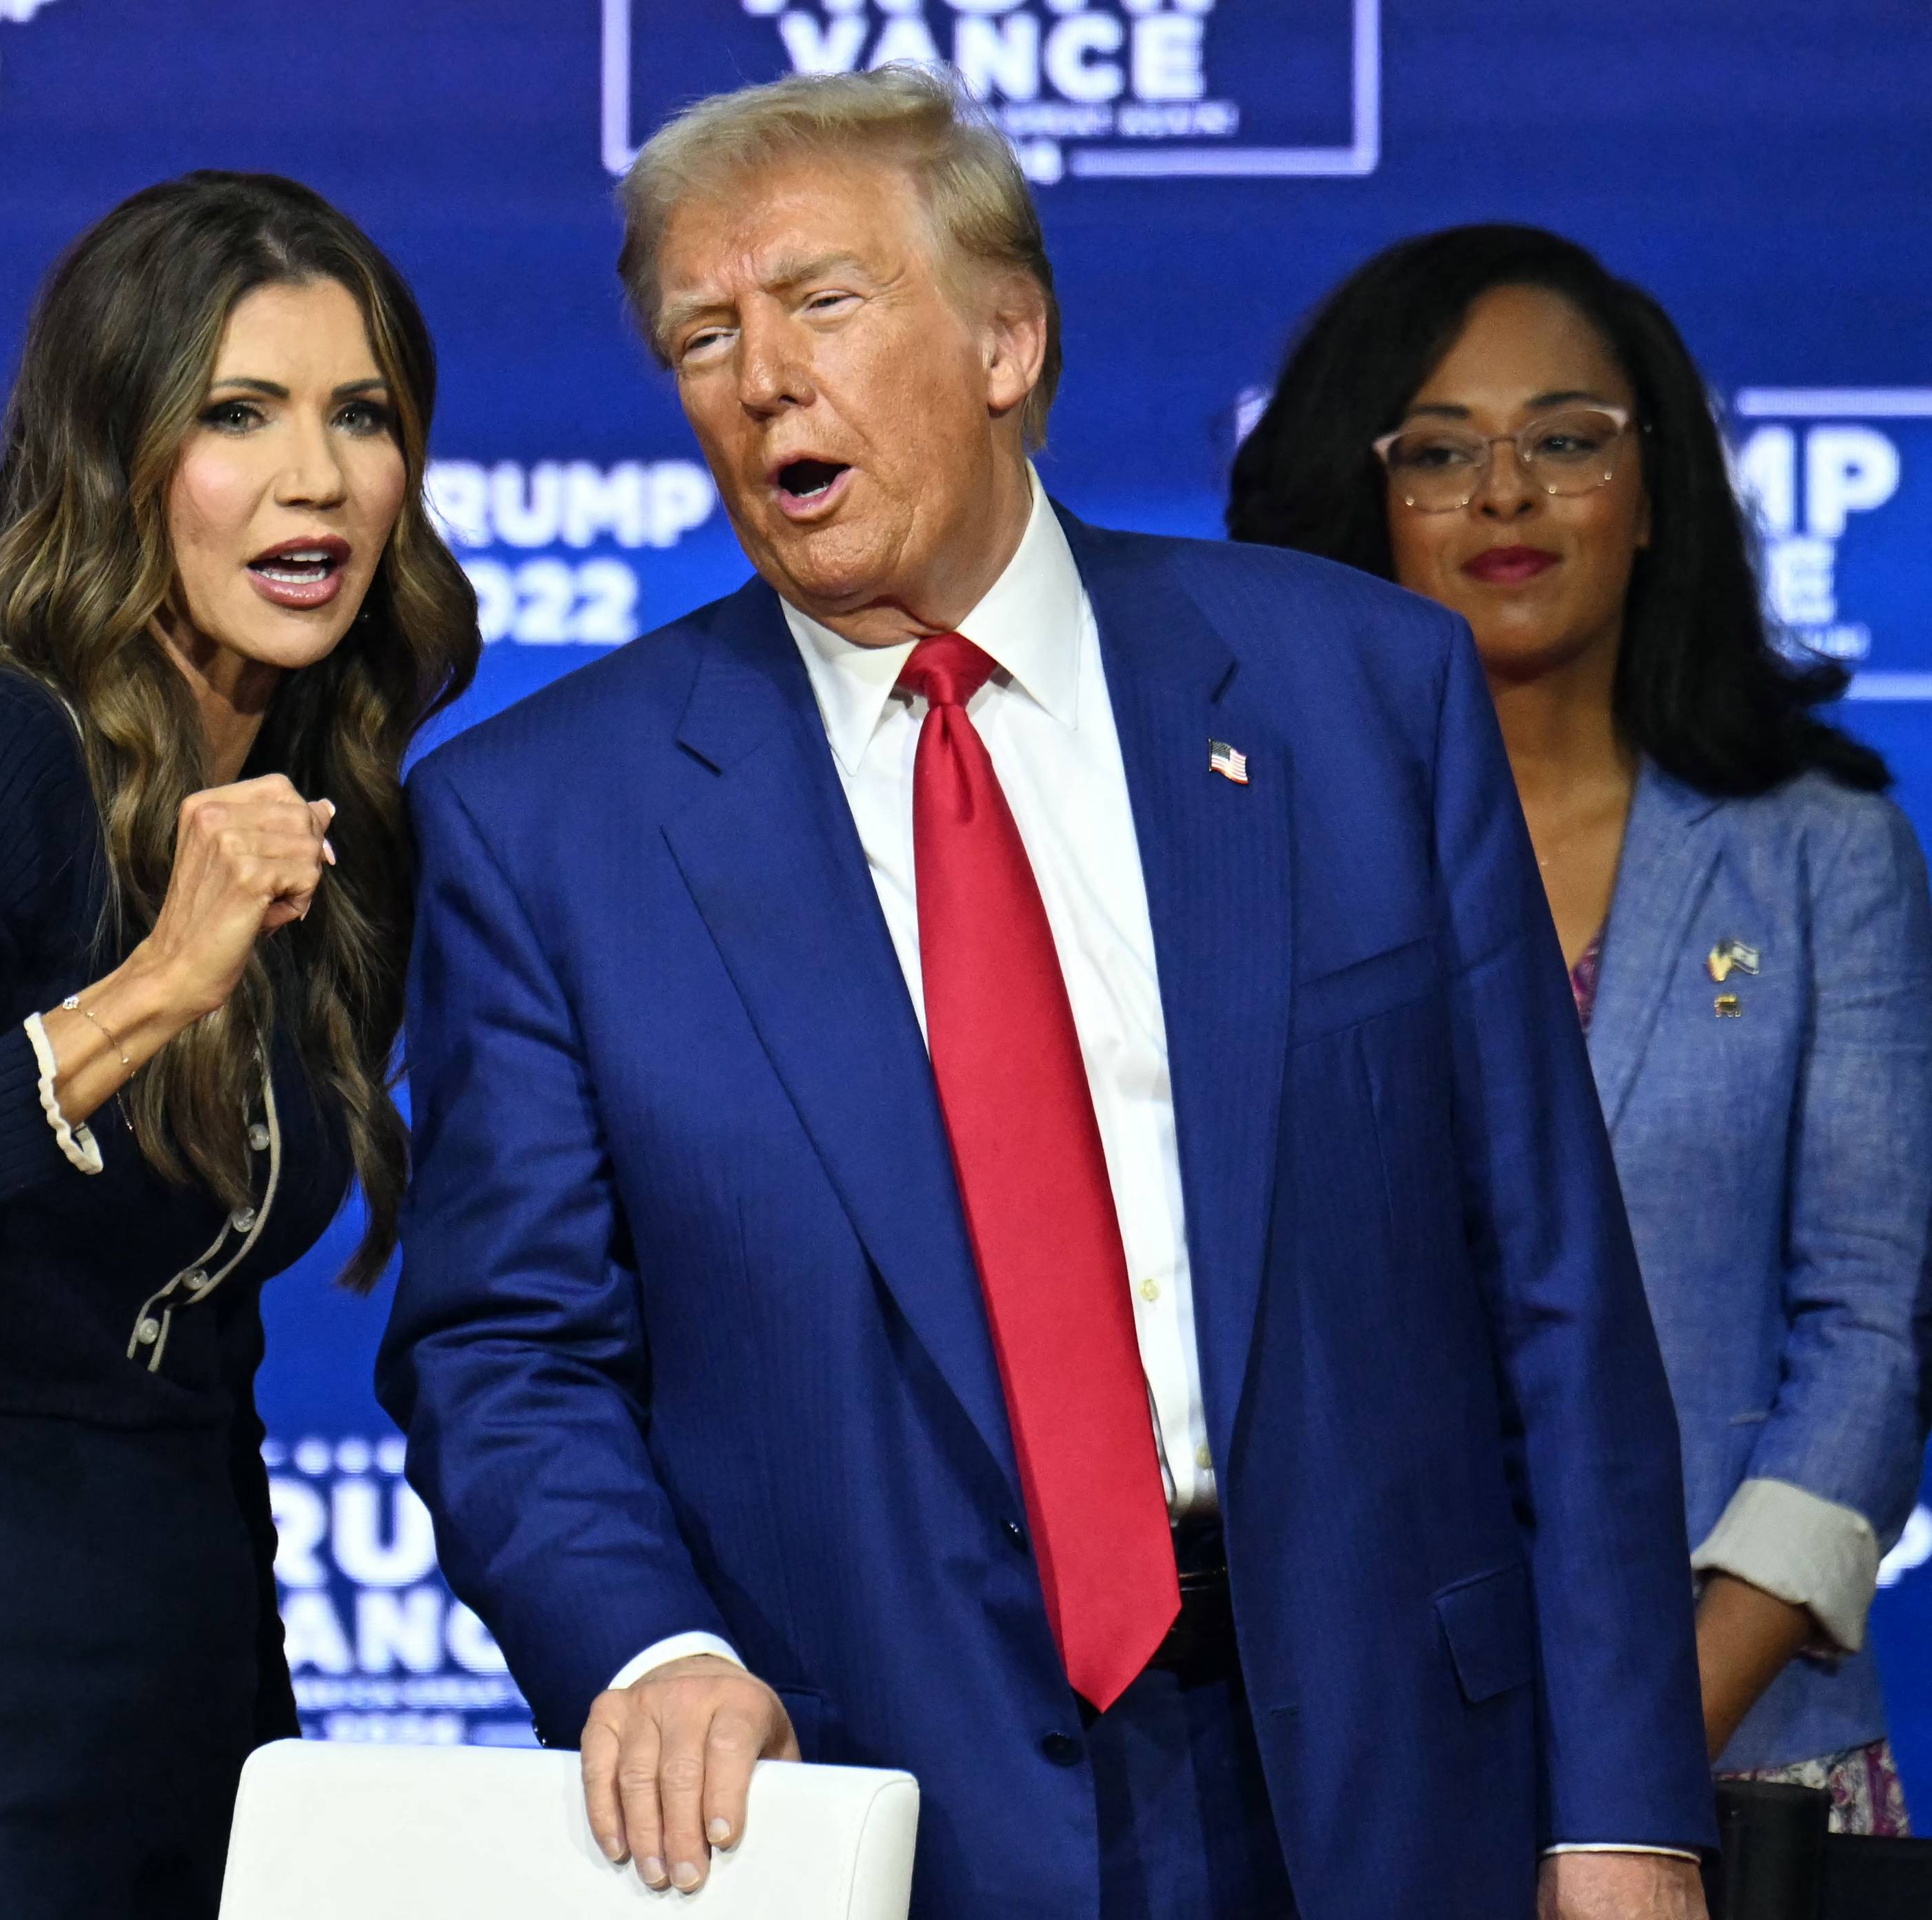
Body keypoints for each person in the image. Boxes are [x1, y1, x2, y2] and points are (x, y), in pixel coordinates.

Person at [378, 69, 1714, 1920]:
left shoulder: (1359, 699)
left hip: (1391, 1779)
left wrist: (1626, 1809)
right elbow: (506, 1348)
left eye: (821, 304)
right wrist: (646, 1650)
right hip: (879, 1799)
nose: (761, 377)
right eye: (705, 333)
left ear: (1006, 338)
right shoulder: (547, 826)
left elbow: (1555, 1293)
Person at [0, 172, 478, 1919]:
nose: (317, 480)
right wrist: (142, 996)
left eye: (361, 416)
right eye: (237, 415)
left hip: (203, 1731)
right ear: (121, 457)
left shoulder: (328, 810)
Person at [1229, 223, 1932, 1835]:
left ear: (1657, 488)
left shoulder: (1825, 848)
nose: (1507, 497)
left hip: (1741, 1754)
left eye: (1565, 440)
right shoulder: (1250, 851)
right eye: (1441, 452)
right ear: (1363, 500)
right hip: (1361, 1763)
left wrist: (1631, 1753)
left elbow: (1872, 1338)